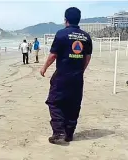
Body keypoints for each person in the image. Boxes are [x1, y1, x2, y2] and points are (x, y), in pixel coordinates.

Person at [40, 7, 92, 145]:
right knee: (74, 104)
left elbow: (53, 55)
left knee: (54, 102)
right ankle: (69, 134)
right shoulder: (86, 36)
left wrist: (44, 68)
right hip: (77, 77)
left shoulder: (61, 34)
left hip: (62, 75)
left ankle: (58, 132)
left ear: (66, 20)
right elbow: (87, 57)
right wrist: (81, 70)